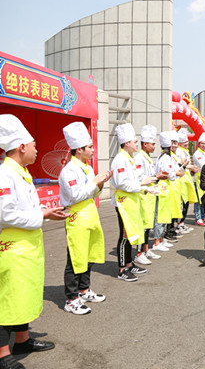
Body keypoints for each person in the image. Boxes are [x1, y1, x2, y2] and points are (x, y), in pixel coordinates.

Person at [0, 114, 68, 369]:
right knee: (7, 300)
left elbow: (28, 208)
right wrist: (42, 214)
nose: (37, 149)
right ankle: (3, 354)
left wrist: (45, 213)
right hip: (13, 246)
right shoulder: (5, 174)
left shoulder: (21, 173)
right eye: (34, 145)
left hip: (27, 245)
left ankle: (23, 340)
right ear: (21, 147)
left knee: (23, 295)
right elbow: (6, 214)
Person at [59, 122, 112, 315]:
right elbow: (74, 195)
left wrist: (100, 183)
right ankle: (71, 298)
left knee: (89, 255)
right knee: (75, 257)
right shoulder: (69, 170)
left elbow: (91, 193)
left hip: (90, 214)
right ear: (79, 149)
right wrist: (95, 182)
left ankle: (84, 289)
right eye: (89, 147)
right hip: (76, 216)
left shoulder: (87, 168)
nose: (92, 150)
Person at [111, 123, 155, 282]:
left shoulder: (128, 158)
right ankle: (122, 268)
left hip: (131, 201)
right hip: (123, 203)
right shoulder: (120, 159)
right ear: (126, 143)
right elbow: (121, 183)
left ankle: (129, 264)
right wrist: (142, 185)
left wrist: (146, 186)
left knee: (131, 234)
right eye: (135, 141)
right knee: (124, 235)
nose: (137, 143)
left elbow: (135, 180)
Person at [133, 125, 168, 265]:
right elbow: (141, 178)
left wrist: (157, 176)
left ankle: (146, 250)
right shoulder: (139, 158)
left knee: (148, 225)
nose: (154, 146)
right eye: (152, 144)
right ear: (145, 144)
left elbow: (150, 176)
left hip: (150, 196)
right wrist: (156, 177)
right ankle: (139, 252)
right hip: (144, 195)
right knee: (143, 226)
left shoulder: (146, 157)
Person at [192, 133, 205, 226]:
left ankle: (203, 216)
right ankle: (198, 217)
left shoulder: (204, 153)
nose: (204, 145)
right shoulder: (197, 153)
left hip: (204, 179)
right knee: (198, 200)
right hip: (198, 179)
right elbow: (204, 165)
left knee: (203, 199)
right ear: (199, 144)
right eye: (202, 143)